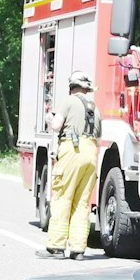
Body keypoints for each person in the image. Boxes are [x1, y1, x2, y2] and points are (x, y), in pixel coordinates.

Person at [43, 71, 98, 259]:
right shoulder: (94, 108)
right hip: (91, 152)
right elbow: (98, 135)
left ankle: (56, 247)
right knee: (82, 203)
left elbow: (56, 126)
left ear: (71, 86)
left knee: (62, 197)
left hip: (72, 149)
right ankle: (78, 249)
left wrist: (50, 119)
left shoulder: (68, 102)